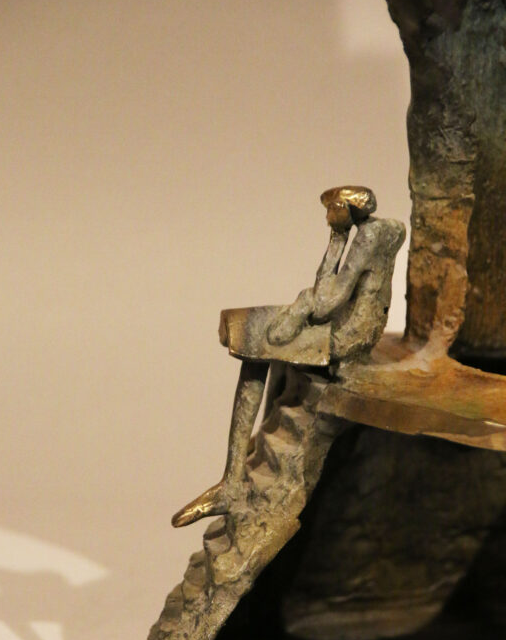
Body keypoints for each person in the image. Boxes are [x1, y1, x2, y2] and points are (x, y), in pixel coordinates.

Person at [172, 185, 406, 528]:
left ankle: (232, 484)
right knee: (255, 331)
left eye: (331, 210)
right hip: (351, 325)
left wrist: (334, 245)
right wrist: (312, 288)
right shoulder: (385, 229)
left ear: (346, 208)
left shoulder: (369, 237)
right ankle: (234, 476)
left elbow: (326, 302)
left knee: (255, 345)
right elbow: (328, 294)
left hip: (348, 335)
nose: (328, 218)